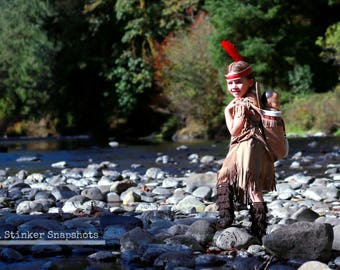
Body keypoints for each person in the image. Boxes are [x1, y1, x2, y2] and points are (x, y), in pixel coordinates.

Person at [216, 42, 276, 240]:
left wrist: (227, 111)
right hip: (253, 145)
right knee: (232, 178)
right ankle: (252, 229)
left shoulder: (243, 103)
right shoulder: (253, 97)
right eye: (230, 83)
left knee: (247, 185)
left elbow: (234, 130)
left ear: (250, 82)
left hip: (246, 145)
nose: (234, 87)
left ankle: (230, 221)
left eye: (238, 82)